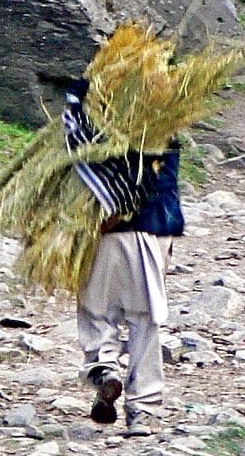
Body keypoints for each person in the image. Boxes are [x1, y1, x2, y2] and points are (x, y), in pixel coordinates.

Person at [66, 75, 184, 436]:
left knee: (97, 312)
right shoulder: (164, 130)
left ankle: (104, 369)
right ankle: (143, 410)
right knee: (144, 323)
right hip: (153, 234)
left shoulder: (89, 132)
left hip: (103, 233)